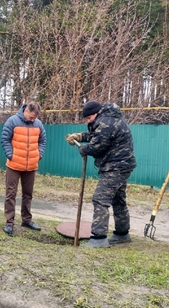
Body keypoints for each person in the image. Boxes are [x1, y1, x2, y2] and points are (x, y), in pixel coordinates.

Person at [65, 100, 137, 248]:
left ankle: (98, 238)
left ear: (95, 114)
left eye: (88, 118)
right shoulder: (110, 118)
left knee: (100, 199)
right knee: (118, 200)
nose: (87, 120)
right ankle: (122, 234)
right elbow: (96, 135)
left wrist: (83, 149)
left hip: (115, 167)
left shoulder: (106, 122)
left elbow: (97, 146)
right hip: (122, 165)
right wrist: (79, 136)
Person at [1, 102, 47, 236]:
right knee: (11, 194)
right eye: (31, 117)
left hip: (31, 166)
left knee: (28, 194)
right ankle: (9, 223)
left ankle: (26, 220)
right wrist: (11, 155)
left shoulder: (38, 124)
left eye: (35, 118)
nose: (33, 120)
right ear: (26, 111)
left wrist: (39, 155)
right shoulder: (12, 121)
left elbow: (43, 141)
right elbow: (4, 139)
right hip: (14, 165)